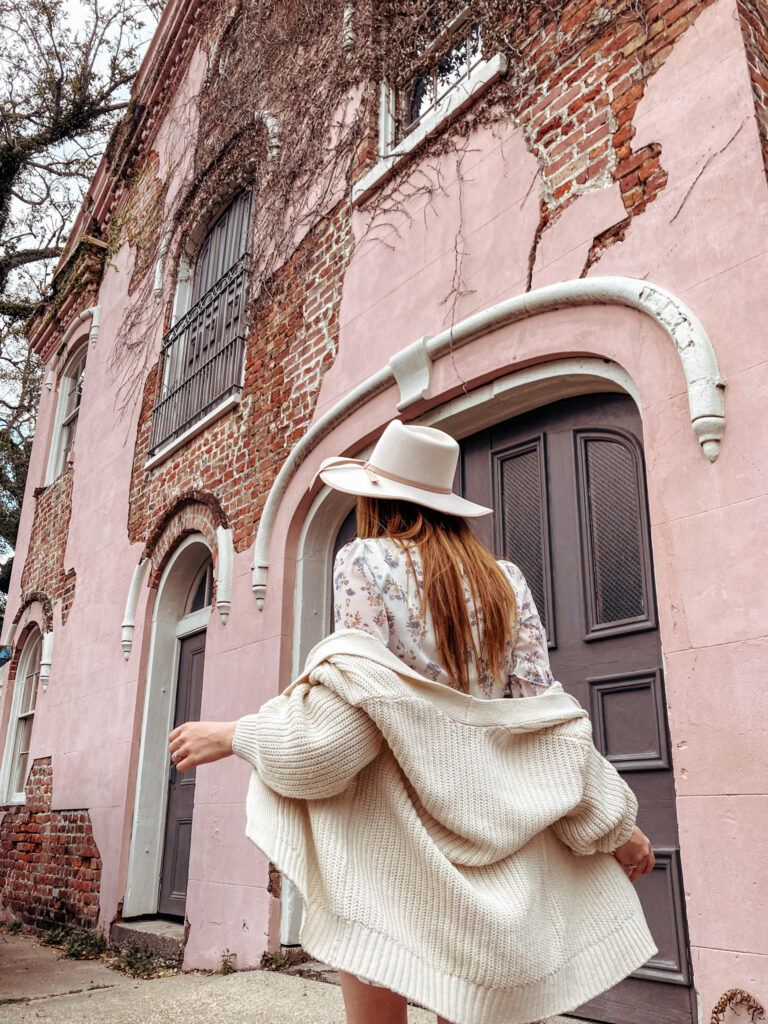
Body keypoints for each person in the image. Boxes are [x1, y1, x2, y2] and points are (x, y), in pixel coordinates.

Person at [169, 419, 656, 1024]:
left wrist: (234, 735)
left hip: (388, 848)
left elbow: (339, 735)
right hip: (496, 847)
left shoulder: (362, 563)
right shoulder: (505, 582)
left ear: (374, 499)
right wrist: (616, 824)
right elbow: (546, 722)